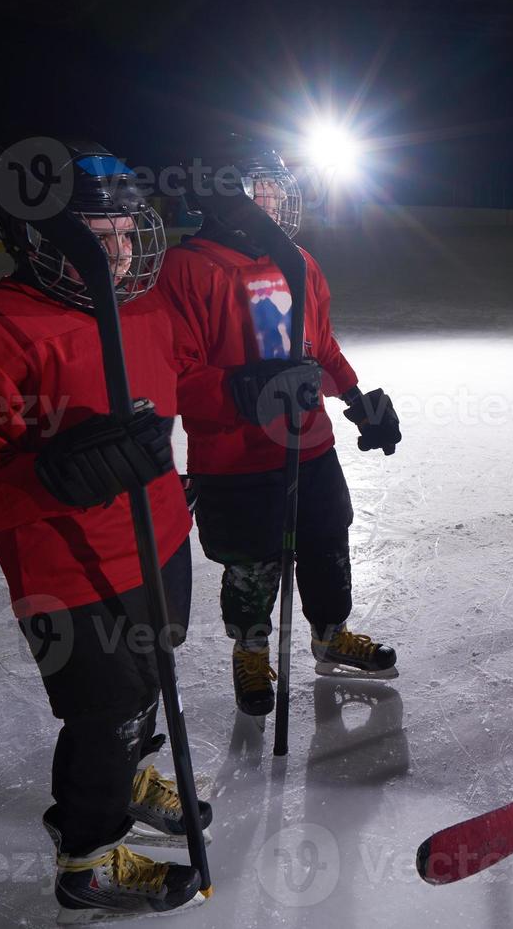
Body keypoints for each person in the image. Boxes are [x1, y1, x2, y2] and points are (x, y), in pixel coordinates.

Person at [0, 140, 208, 920]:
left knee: (148, 682)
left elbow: (187, 389)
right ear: (35, 235)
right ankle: (87, 855)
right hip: (66, 570)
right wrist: (58, 472)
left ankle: (131, 778)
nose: (120, 245)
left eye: (127, 226)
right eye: (96, 229)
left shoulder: (150, 307)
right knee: (101, 712)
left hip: (163, 538)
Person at [155, 138, 401, 719]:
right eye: (259, 184)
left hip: (310, 443)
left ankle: (330, 633)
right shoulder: (185, 270)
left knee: (327, 540)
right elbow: (173, 374)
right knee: (251, 561)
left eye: (276, 184)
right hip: (236, 456)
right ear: (221, 195)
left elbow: (323, 344)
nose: (276, 197)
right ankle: (252, 649)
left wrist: (357, 398)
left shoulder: (300, 261)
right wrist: (238, 388)